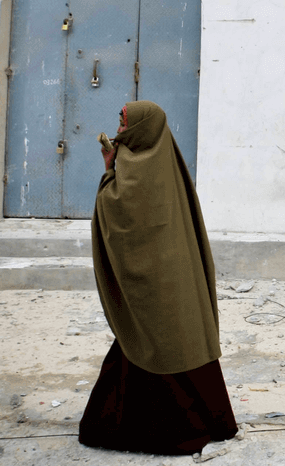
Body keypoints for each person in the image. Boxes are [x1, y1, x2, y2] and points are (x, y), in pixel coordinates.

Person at [79, 101, 237, 455]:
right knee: (169, 339)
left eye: (124, 124)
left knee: (148, 339)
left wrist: (108, 173)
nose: (119, 131)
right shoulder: (167, 162)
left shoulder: (133, 171)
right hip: (172, 277)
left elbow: (117, 214)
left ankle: (161, 431)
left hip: (155, 280)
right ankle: (211, 420)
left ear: (141, 127)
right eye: (119, 123)